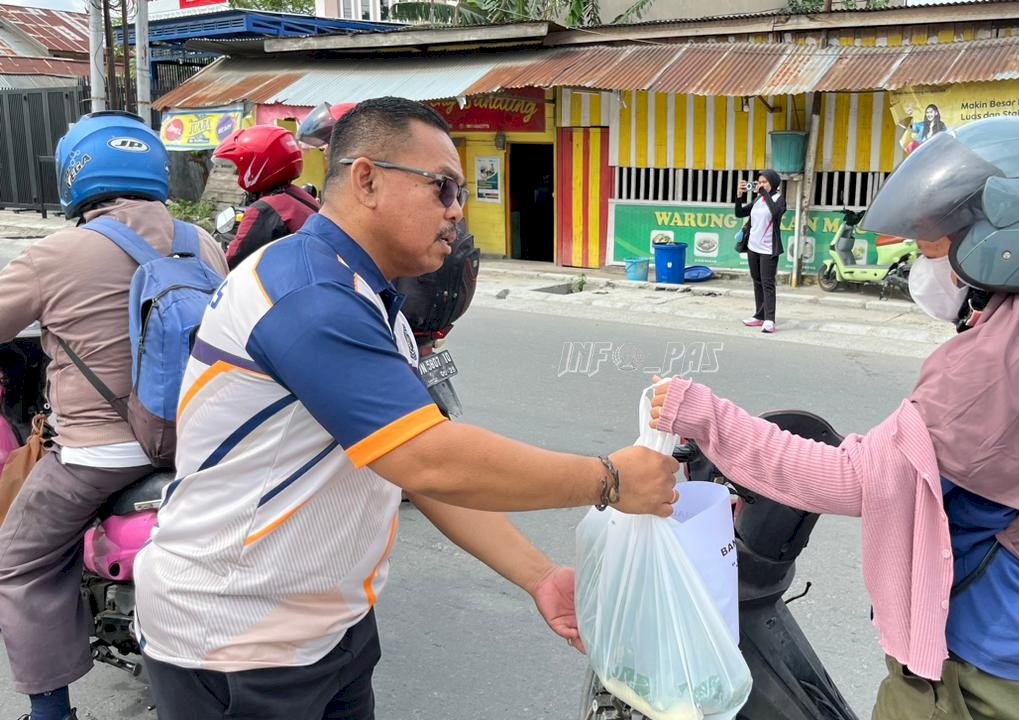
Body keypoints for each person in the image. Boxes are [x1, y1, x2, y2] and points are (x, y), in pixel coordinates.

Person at [132, 97, 679, 720]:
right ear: (366, 179)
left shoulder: (366, 296)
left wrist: (538, 575)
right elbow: (430, 462)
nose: (456, 213)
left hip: (327, 630)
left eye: (463, 195)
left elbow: (408, 460)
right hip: (236, 641)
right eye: (443, 188)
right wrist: (608, 479)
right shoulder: (309, 292)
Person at [650, 117, 1019, 720]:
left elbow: (848, 479)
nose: (925, 253)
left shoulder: (990, 364)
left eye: (940, 237)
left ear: (1009, 232)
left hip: (995, 668)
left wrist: (705, 417)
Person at [0, 111, 228, 720]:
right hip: (201, 443)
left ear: (76, 174)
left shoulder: (54, 254)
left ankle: (51, 712)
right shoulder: (201, 242)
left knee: (21, 561)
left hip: (99, 456)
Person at [214, 124, 320, 269]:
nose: (238, 174)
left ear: (256, 164)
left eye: (238, 169)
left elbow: (230, 263)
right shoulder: (299, 195)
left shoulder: (265, 209)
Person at [735, 169, 786, 334]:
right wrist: (739, 196)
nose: (761, 185)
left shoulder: (779, 199)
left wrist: (764, 193)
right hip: (753, 247)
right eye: (760, 182)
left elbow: (775, 213)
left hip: (768, 249)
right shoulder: (758, 199)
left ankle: (770, 320)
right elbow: (740, 213)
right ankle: (759, 316)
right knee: (757, 281)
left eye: (765, 182)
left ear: (773, 183)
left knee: (768, 284)